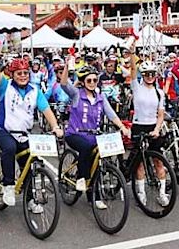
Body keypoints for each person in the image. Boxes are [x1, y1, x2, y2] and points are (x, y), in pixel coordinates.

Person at [0, 51, 62, 209]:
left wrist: (55, 126)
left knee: (29, 162)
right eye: (18, 73)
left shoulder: (35, 91)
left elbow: (46, 110)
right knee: (10, 148)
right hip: (4, 131)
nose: (22, 76)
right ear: (12, 74)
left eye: (25, 73)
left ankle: (30, 200)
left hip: (24, 134)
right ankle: (8, 186)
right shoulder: (6, 86)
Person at [60, 63, 130, 208]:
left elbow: (111, 114)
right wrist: (67, 66)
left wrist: (122, 127)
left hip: (94, 136)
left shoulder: (101, 97)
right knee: (85, 148)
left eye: (94, 80)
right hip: (75, 134)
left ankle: (95, 197)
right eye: (89, 80)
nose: (92, 83)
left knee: (98, 163)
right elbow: (64, 83)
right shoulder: (76, 94)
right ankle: (80, 178)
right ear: (83, 82)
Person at [129, 54, 169, 207]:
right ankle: (141, 193)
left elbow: (160, 115)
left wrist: (158, 129)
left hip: (153, 127)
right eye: (147, 74)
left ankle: (162, 193)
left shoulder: (159, 93)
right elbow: (133, 69)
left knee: (158, 161)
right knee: (140, 163)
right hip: (139, 126)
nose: (150, 77)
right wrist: (132, 52)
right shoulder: (137, 87)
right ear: (143, 75)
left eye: (152, 74)